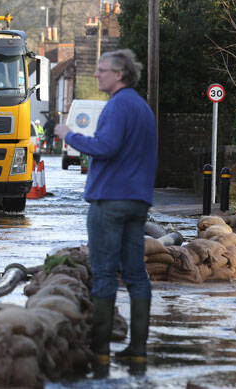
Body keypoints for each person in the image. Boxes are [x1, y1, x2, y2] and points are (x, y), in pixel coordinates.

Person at [54, 49, 157, 377]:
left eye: (103, 70)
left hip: (109, 200)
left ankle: (100, 354)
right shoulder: (142, 108)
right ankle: (137, 352)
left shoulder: (117, 106)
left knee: (102, 275)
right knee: (137, 275)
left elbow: (105, 147)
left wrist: (68, 135)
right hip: (137, 200)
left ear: (120, 74)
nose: (97, 75)